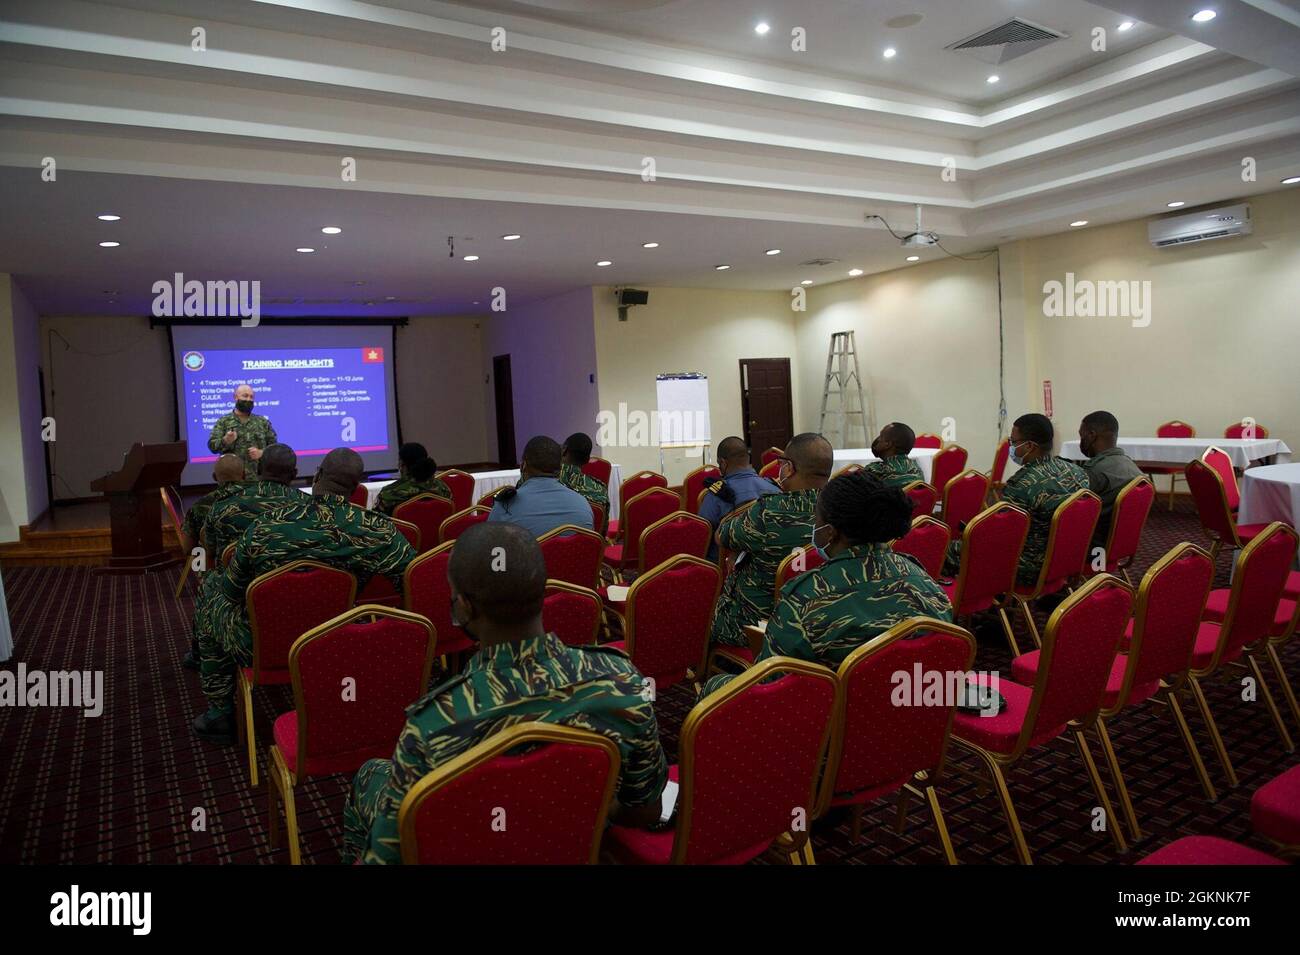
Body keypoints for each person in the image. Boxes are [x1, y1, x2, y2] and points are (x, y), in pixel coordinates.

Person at [341, 522, 668, 864]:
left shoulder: (433, 724)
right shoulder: (623, 679)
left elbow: (391, 857)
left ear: (464, 607)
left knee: (370, 775)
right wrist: (583, 808)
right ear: (543, 590)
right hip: (575, 846)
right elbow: (646, 810)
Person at [192, 448, 417, 743]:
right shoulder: (378, 531)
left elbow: (233, 591)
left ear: (317, 475)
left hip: (262, 647)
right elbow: (413, 580)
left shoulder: (264, 528)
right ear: (357, 486)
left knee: (212, 592)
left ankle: (221, 712)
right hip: (338, 639)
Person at [702, 470, 952, 695]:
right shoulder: (924, 581)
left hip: (828, 730)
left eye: (817, 519)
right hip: (915, 721)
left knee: (713, 689)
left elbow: (770, 685)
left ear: (830, 531)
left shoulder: (805, 598)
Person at [710, 432, 832, 648]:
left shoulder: (768, 512)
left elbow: (722, 536)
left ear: (789, 468)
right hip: (824, 619)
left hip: (761, 624)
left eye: (782, 464)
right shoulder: (842, 508)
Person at [185, 445, 300, 672]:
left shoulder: (224, 508)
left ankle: (220, 702)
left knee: (209, 592)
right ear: (295, 474)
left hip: (244, 617)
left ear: (256, 469)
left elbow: (206, 552)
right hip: (310, 617)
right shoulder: (311, 507)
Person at [946, 413, 1088, 587]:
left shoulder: (1022, 484)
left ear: (1029, 446)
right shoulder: (1077, 473)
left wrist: (971, 534)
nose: (1011, 447)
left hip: (1027, 568)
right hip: (1067, 559)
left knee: (944, 550)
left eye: (1013, 442)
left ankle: (956, 604)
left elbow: (1000, 536)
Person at [487, 436, 593, 538]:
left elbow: (491, 547)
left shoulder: (505, 507)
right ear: (560, 469)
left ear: (523, 466)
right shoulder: (583, 505)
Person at [698, 436, 781, 560]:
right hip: (771, 563)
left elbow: (702, 536)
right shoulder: (775, 489)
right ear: (747, 459)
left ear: (723, 463)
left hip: (728, 569)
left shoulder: (715, 495)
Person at [1077, 410, 1144, 547]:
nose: (1081, 440)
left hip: (1092, 549)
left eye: (1081, 435)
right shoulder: (1131, 466)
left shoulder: (1095, 473)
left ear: (1091, 435)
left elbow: (1074, 512)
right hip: (1119, 545)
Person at [178, 454, 246, 556]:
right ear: (244, 474)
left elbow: (188, 549)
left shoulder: (199, 507)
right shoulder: (262, 499)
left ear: (214, 477)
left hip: (218, 568)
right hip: (258, 567)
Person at [206, 383, 276, 477]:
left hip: (257, 479)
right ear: (235, 397)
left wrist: (262, 453)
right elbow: (212, 447)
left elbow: (274, 449)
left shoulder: (262, 422)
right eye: (245, 396)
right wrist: (225, 440)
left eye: (251, 397)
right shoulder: (223, 422)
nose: (248, 399)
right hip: (232, 479)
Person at [375, 443, 451, 515]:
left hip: (400, 529)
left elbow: (374, 523)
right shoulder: (443, 488)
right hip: (437, 528)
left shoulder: (387, 494)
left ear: (402, 465)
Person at [558, 432, 610, 528]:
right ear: (587, 460)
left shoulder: (541, 483)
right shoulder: (600, 490)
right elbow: (601, 533)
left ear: (564, 450)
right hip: (587, 542)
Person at [864, 422, 924, 489]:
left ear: (888, 444)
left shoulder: (875, 471)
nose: (877, 440)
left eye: (881, 436)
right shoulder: (917, 470)